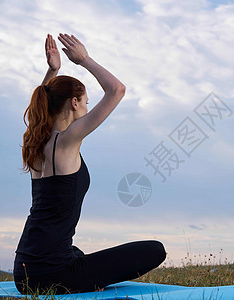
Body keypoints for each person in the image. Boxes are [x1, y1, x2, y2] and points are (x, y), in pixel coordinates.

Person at [13, 33, 166, 295]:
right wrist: (84, 60)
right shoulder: (67, 140)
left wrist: (53, 70)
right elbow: (117, 89)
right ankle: (81, 279)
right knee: (155, 250)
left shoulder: (36, 143)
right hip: (51, 274)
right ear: (74, 103)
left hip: (24, 271)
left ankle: (82, 274)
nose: (87, 108)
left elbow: (41, 101)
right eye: (85, 102)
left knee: (76, 253)